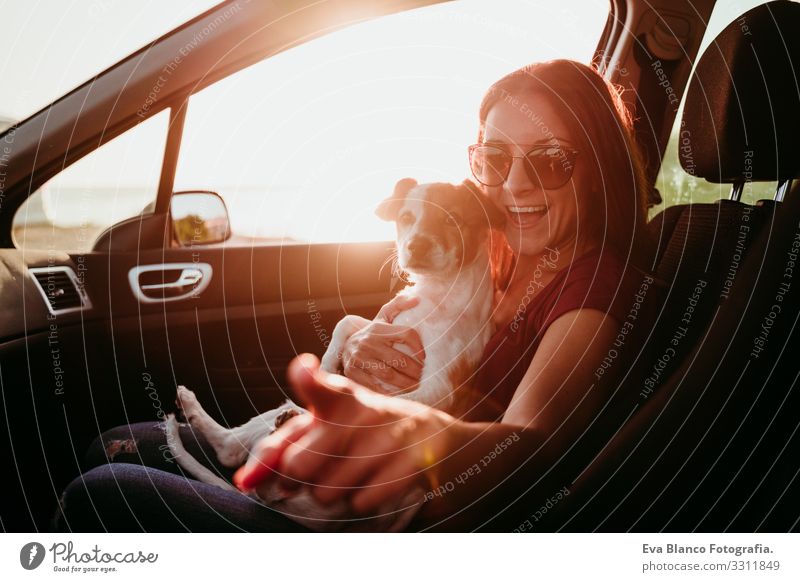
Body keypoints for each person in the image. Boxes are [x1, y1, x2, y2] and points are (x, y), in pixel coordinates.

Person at [54, 59, 655, 532]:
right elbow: (417, 323)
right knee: (110, 444)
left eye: (551, 161)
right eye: (495, 158)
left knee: (99, 497)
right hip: (348, 479)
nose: (514, 184)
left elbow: (533, 444)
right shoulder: (500, 252)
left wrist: (402, 430)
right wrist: (367, 340)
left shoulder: (591, 283)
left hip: (395, 516)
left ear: (598, 166)